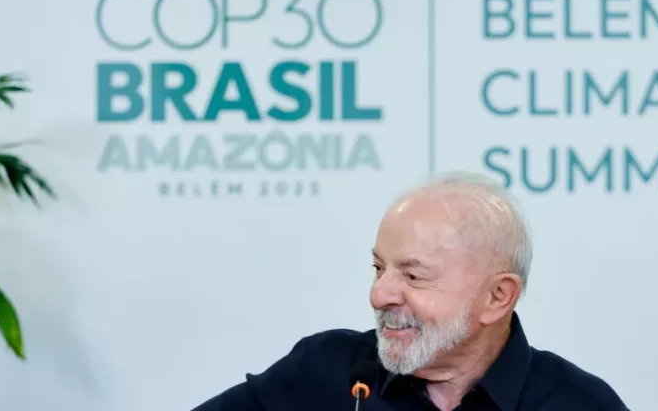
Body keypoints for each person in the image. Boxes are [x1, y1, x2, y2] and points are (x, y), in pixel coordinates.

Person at [191, 172, 629, 410]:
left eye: (414, 277)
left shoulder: (580, 404)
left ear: (498, 297)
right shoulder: (324, 369)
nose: (379, 295)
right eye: (379, 268)